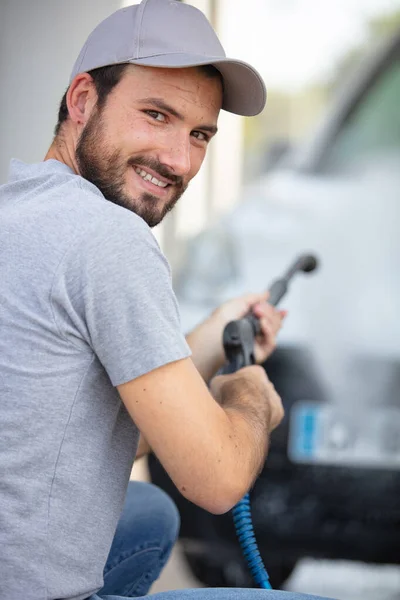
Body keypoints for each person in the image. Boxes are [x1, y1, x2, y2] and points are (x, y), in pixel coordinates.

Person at [0, 1, 335, 599]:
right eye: (157, 115)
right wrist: (248, 396)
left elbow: (93, 430)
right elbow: (217, 479)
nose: (179, 161)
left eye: (199, 134)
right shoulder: (108, 236)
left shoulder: (20, 210)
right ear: (82, 101)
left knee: (148, 512)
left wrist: (218, 328)